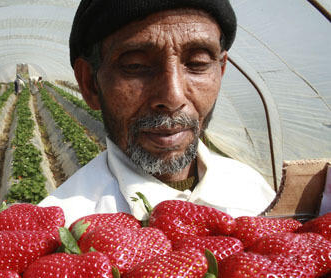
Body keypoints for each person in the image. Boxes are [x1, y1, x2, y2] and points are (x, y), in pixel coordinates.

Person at [38, 0, 275, 226]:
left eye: (198, 63)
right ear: (90, 83)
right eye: (136, 66)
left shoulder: (256, 193)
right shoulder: (65, 230)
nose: (173, 97)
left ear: (221, 70)